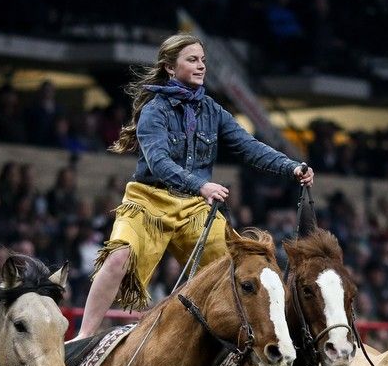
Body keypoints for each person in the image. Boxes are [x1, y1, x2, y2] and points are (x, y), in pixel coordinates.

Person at [75, 33, 314, 339]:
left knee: (244, 267)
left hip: (195, 208)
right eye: (192, 60)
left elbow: (249, 146)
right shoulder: (154, 110)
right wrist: (200, 185)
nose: (201, 66)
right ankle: (83, 337)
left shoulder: (213, 110)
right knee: (119, 256)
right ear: (170, 68)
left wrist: (292, 166)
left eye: (203, 60)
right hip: (149, 200)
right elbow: (159, 162)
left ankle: (267, 340)